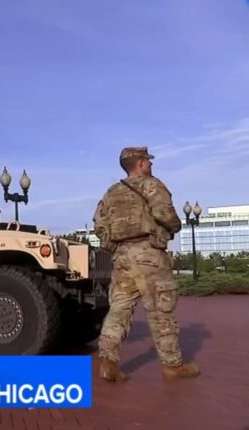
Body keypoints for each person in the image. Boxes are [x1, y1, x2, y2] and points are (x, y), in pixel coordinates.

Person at [93, 146, 200, 382]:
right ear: (140, 163)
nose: (151, 164)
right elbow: (165, 214)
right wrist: (174, 227)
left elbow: (99, 224)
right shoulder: (152, 185)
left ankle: (108, 363)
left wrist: (114, 245)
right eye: (148, 161)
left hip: (122, 258)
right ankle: (173, 365)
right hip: (149, 256)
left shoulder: (111, 193)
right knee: (161, 309)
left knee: (119, 309)